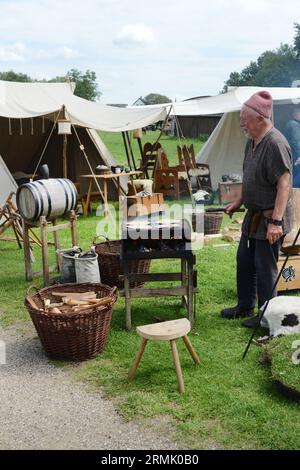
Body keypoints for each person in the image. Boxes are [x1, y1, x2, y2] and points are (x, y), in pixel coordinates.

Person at [221, 90, 293, 328]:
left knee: (265, 267)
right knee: (245, 260)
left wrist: (276, 222)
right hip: (253, 216)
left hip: (270, 218)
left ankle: (267, 315)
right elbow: (249, 176)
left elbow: (284, 184)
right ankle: (245, 305)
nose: (241, 122)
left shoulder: (275, 143)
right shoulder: (251, 139)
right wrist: (239, 201)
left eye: (245, 117)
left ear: (261, 118)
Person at [284, 106, 300, 187]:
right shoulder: (293, 124)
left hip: (291, 156)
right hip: (295, 157)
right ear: (293, 114)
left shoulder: (293, 124)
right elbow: (296, 142)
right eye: (297, 112)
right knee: (296, 181)